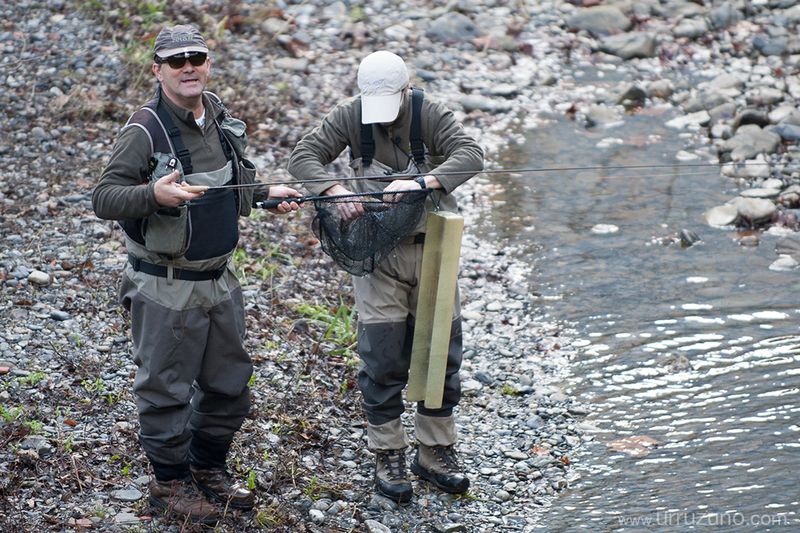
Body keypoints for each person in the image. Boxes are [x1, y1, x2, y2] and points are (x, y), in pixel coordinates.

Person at [92, 24, 300, 523]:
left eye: (197, 57)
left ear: (207, 63)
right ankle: (169, 485)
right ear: (158, 69)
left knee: (230, 385)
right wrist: (153, 196)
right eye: (176, 60)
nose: (189, 67)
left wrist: (265, 195)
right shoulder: (144, 129)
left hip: (219, 280)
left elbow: (233, 185)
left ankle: (207, 470)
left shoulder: (218, 116)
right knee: (164, 390)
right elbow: (103, 198)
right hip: (164, 285)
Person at [287, 50, 484, 503]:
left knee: (442, 353)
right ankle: (388, 452)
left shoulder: (428, 112)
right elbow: (303, 157)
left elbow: (471, 154)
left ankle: (435, 450)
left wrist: (422, 182)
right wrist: (333, 191)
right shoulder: (350, 116)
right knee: (382, 356)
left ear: (404, 89)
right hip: (375, 256)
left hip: (433, 247)